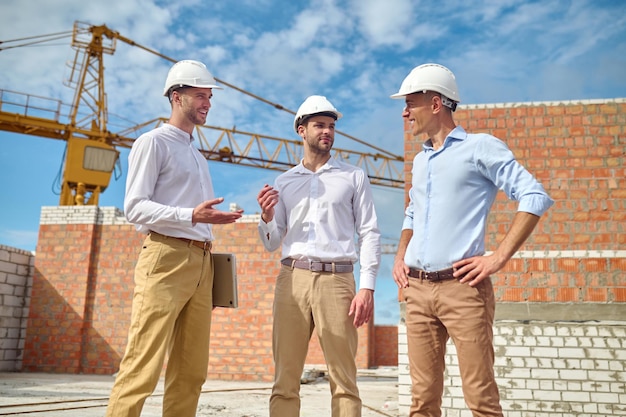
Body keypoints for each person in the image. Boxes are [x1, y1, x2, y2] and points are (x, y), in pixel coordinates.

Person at [389, 63, 554, 417]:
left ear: (436, 104)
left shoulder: (480, 148)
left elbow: (534, 195)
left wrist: (497, 258)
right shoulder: (421, 161)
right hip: (417, 291)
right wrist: (400, 255)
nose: (405, 112)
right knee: (421, 403)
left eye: (410, 103)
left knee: (480, 400)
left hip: (462, 289)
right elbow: (412, 213)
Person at [105, 59, 243, 417]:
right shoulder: (153, 143)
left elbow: (197, 215)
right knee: (142, 365)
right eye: (200, 95)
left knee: (191, 372)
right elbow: (135, 208)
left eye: (209, 97)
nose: (207, 104)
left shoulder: (197, 156)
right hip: (165, 258)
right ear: (176, 96)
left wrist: (214, 222)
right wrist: (191, 215)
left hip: (201, 262)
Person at [256, 95, 381, 417]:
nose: (327, 131)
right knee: (285, 378)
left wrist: (366, 287)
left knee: (343, 379)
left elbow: (369, 232)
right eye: (319, 125)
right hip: (292, 279)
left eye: (331, 126)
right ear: (302, 130)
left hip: (337, 281)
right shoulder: (284, 182)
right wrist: (267, 217)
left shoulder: (354, 177)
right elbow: (272, 243)